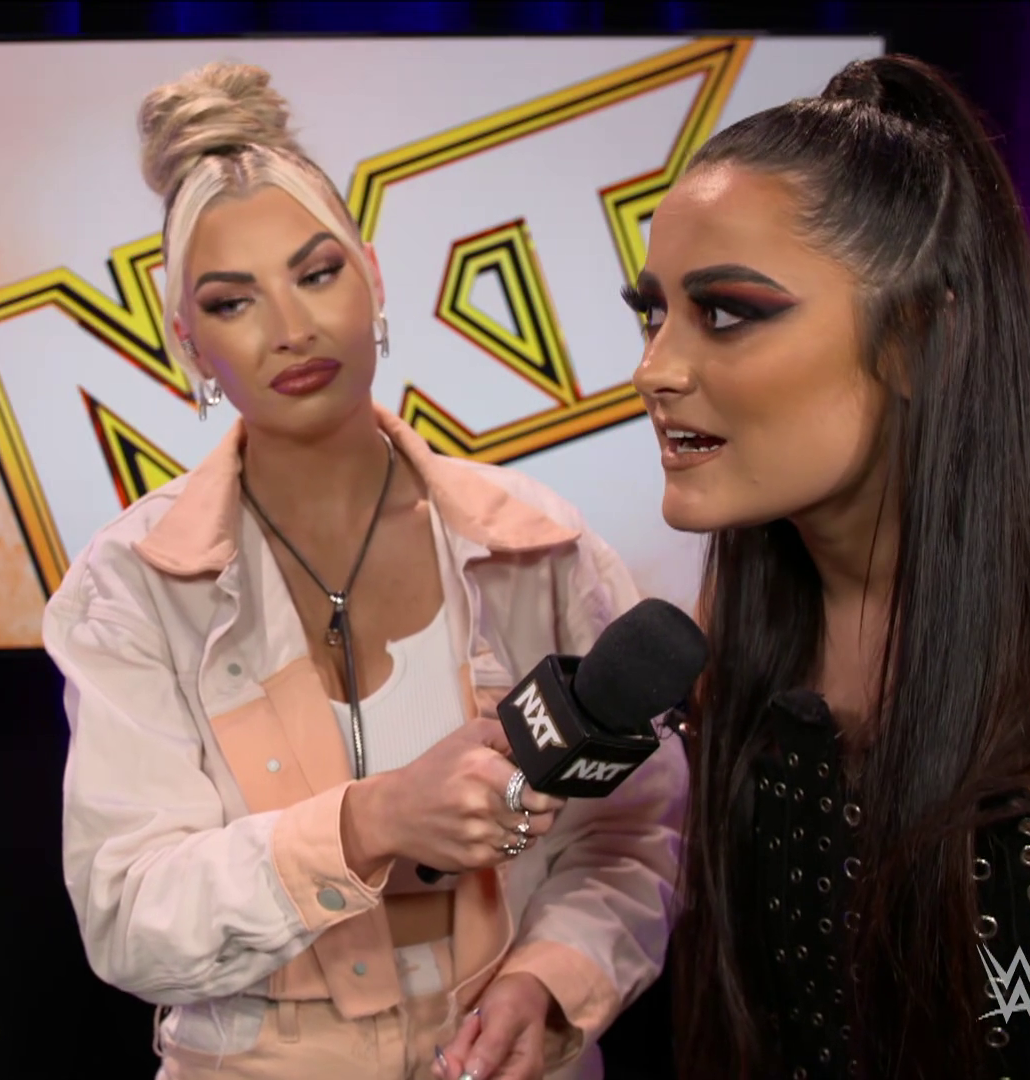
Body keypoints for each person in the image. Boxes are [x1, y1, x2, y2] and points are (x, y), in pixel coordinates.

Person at [42, 63, 685, 1080]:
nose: (290, 327)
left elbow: (635, 835)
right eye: (233, 300)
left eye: (316, 273)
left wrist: (547, 981)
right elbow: (129, 917)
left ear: (374, 280)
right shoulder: (131, 585)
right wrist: (370, 821)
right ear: (187, 346)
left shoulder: (537, 544)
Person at [629, 54, 1030, 1079]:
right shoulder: (739, 605)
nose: (654, 370)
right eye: (652, 311)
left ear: (917, 337)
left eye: (727, 313)